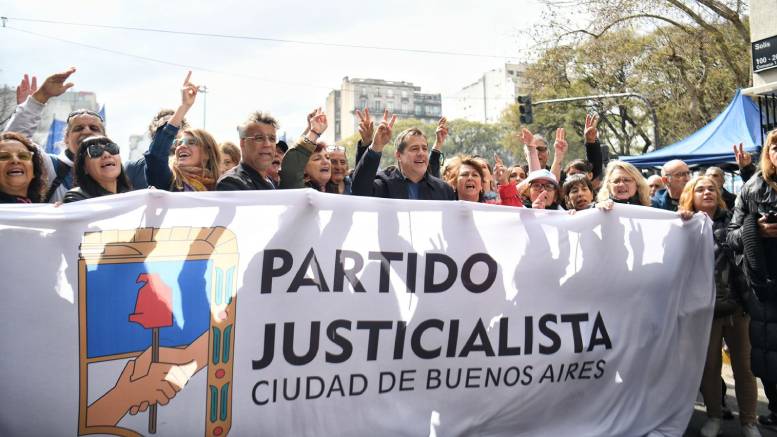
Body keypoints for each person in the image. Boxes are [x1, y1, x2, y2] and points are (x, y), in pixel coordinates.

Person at [678, 176, 761, 437]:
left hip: (737, 309)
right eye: (700, 189)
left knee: (744, 369)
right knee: (710, 366)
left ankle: (749, 422)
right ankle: (714, 416)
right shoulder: (681, 225)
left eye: (712, 188)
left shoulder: (733, 222)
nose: (707, 192)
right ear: (690, 194)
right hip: (704, 313)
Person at [727, 129, 777, 429]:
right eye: (776, 146)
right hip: (765, 287)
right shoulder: (752, 188)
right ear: (768, 153)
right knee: (769, 357)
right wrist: (753, 231)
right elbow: (730, 236)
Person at [4, 68, 108, 203]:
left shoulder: (118, 171)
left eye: (94, 128)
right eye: (78, 128)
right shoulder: (50, 167)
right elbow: (13, 142)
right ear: (66, 138)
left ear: (106, 139)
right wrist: (38, 99)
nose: (86, 131)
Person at [351, 110, 455, 200]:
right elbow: (360, 191)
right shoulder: (385, 184)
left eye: (424, 148)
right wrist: (376, 146)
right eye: (414, 149)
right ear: (398, 155)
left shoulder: (444, 191)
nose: (421, 153)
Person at [145, 72, 222, 192]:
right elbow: (156, 156)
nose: (181, 146)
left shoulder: (223, 187)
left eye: (191, 142)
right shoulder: (168, 181)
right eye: (178, 143)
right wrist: (184, 106)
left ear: (207, 153)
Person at [124, 110, 190, 190]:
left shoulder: (194, 169)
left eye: (176, 126)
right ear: (155, 132)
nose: (171, 131)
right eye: (165, 127)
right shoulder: (132, 169)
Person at [64, 136, 132, 203]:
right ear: (84, 168)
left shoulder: (132, 196)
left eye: (112, 148)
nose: (106, 154)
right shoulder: (76, 198)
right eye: (95, 150)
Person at [0, 132, 46, 203]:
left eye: (23, 156)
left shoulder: (46, 210)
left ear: (34, 171)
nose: (15, 160)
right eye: (4, 157)